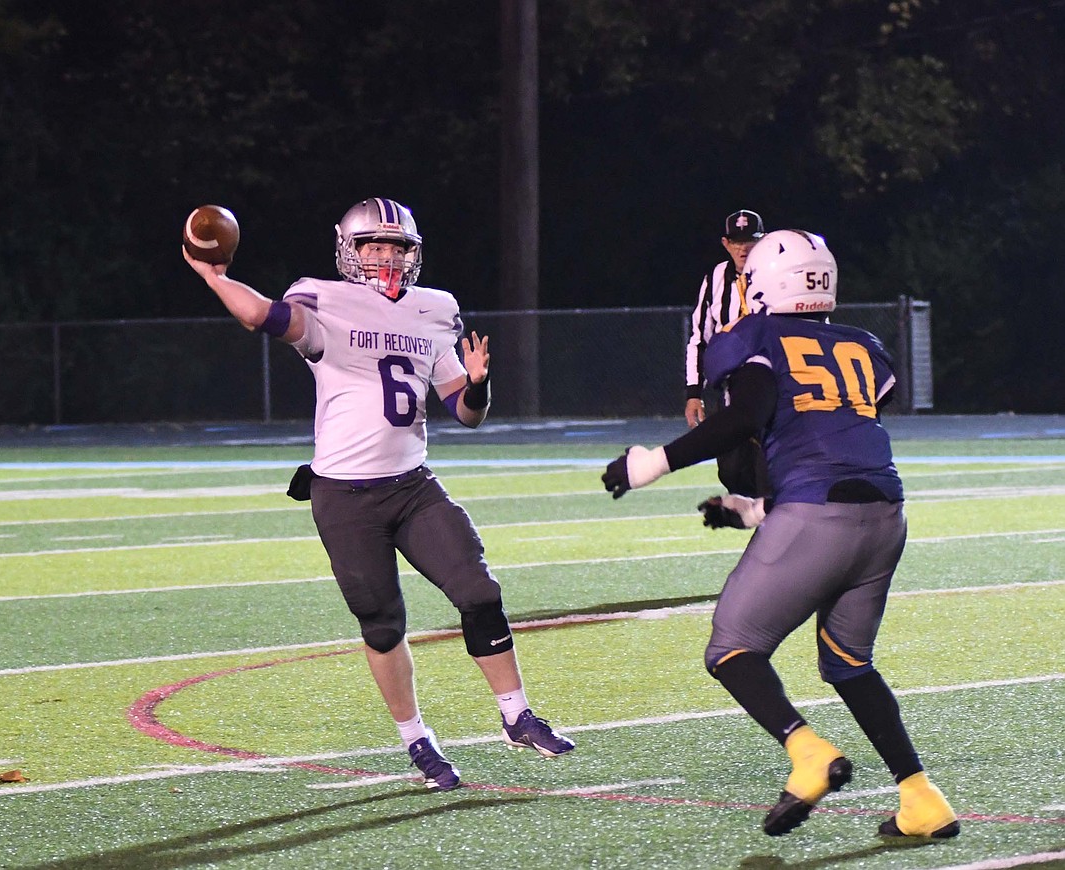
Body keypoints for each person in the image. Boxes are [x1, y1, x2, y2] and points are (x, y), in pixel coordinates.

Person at [184, 197, 574, 791]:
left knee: (479, 591)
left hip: (413, 485)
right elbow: (261, 317)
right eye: (373, 246)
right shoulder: (324, 298)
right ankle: (417, 739)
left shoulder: (434, 309)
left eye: (398, 246)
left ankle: (516, 714)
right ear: (350, 251)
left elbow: (465, 413)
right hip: (344, 495)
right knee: (383, 623)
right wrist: (217, 277)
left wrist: (479, 383)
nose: (387, 256)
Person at [602, 229, 959, 839]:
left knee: (732, 647)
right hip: (885, 514)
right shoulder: (863, 344)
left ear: (764, 281)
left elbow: (747, 417)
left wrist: (649, 463)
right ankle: (922, 798)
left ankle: (808, 754)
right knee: (849, 664)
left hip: (817, 516)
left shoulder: (757, 336)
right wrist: (752, 511)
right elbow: (830, 440)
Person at [685, 209, 770, 497]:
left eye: (751, 240)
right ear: (725, 243)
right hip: (733, 395)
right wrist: (693, 393)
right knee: (732, 472)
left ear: (764, 241)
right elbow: (699, 338)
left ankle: (776, 532)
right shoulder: (714, 279)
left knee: (769, 475)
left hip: (775, 393)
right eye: (737, 241)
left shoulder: (778, 275)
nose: (744, 247)